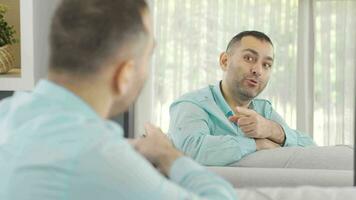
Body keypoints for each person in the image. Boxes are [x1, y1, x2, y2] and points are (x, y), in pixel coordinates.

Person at [0, 0, 237, 199]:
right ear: (124, 74)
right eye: (148, 55)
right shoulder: (101, 158)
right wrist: (169, 155)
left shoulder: (7, 114)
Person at [168, 31, 315, 166]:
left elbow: (311, 151)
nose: (258, 71)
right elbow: (190, 151)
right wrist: (257, 144)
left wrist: (272, 130)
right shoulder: (191, 104)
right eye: (249, 58)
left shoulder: (264, 111)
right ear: (225, 61)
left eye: (266, 65)